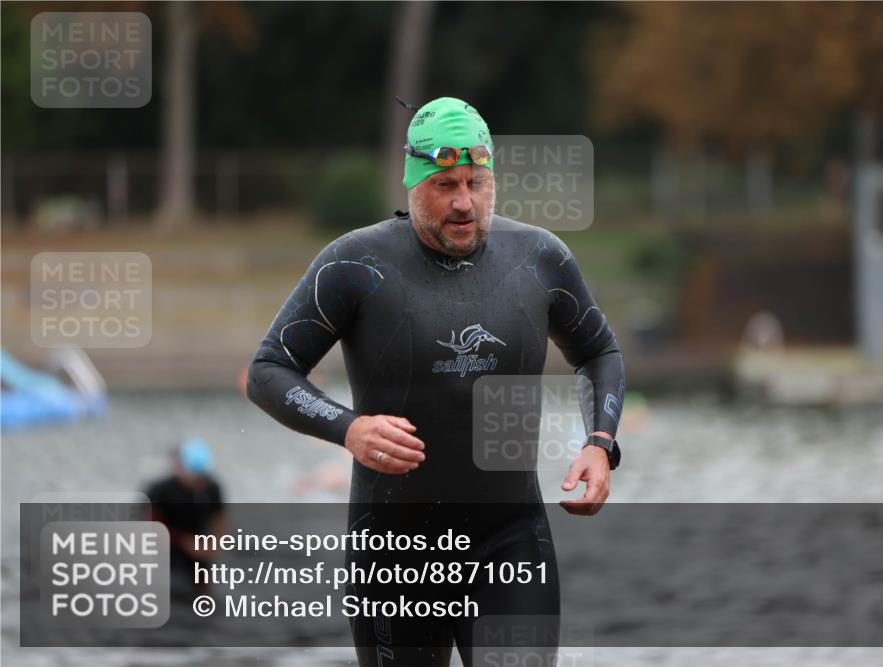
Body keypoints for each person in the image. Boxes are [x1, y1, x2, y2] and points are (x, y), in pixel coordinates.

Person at [246, 96, 625, 666]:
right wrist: (350, 429)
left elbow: (599, 352)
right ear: (413, 184)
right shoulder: (354, 264)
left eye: (477, 182)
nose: (465, 203)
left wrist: (600, 445)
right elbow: (268, 370)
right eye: (446, 184)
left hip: (510, 541)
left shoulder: (540, 258)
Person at [145, 438, 227, 597]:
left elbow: (220, 520)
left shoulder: (212, 488)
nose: (198, 483)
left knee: (203, 589)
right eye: (194, 477)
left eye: (201, 478)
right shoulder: (161, 490)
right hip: (166, 543)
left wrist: (214, 545)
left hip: (197, 545)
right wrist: (184, 541)